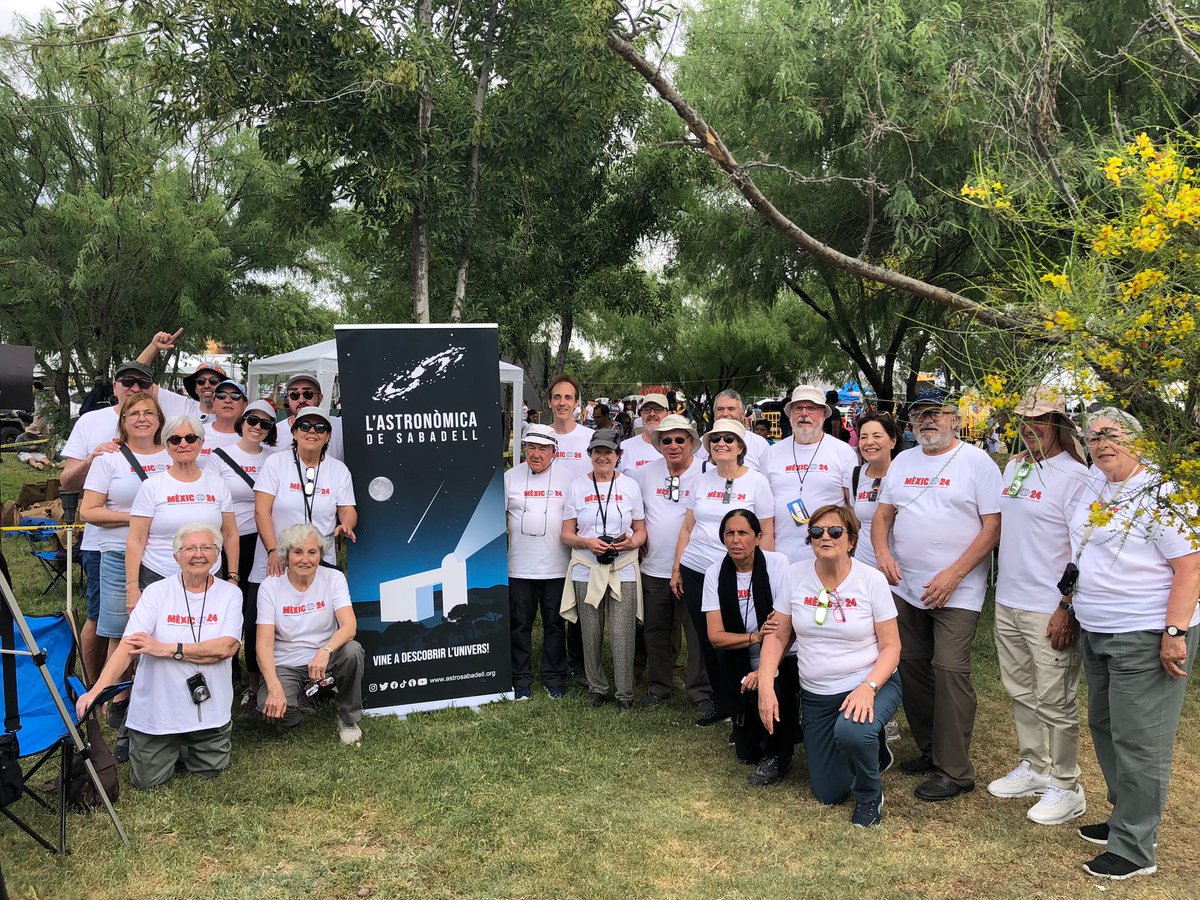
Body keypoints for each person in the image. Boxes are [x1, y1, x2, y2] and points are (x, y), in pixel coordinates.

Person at [1069, 408, 1199, 880]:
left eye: (1113, 435)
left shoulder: (1164, 491)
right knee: (1104, 724)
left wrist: (1174, 633)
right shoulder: (1093, 485)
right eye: (1094, 436)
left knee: (1141, 739)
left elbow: (1191, 567)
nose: (1102, 443)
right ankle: (1126, 817)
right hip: (1098, 627)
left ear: (1138, 441)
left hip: (1145, 632)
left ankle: (1137, 848)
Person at [871, 387, 1002, 801]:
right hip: (906, 587)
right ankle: (930, 749)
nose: (928, 421)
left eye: (936, 413)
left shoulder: (977, 462)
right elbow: (882, 515)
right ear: (911, 423)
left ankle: (956, 770)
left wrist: (954, 574)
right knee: (911, 667)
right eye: (919, 415)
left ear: (953, 417)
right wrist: (882, 553)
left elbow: (992, 527)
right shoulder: (904, 462)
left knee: (949, 671)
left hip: (956, 591)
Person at [60, 341, 201, 683]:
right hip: (109, 547)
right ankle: (100, 687)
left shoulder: (172, 449)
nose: (134, 390)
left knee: (160, 621)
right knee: (104, 621)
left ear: (154, 394)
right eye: (127, 383)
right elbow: (68, 483)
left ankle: (148, 684)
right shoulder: (94, 427)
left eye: (142, 385)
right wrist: (93, 458)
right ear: (116, 388)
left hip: (162, 553)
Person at [758, 504, 902, 827]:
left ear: (850, 539)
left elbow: (892, 646)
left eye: (835, 531)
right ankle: (871, 748)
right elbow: (778, 636)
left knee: (853, 731)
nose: (825, 537)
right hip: (817, 695)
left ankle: (869, 795)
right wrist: (766, 682)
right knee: (828, 792)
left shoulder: (871, 581)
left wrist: (868, 687)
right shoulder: (795, 576)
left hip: (869, 683)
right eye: (817, 532)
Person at [988, 390, 1091, 825]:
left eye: (1040, 421)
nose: (1030, 429)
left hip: (1047, 604)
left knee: (1055, 698)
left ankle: (1067, 785)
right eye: (1023, 421)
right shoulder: (1015, 465)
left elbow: (1081, 548)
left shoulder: (1076, 476)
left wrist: (1065, 606)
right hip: (1008, 599)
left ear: (1058, 423)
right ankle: (1035, 766)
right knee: (1019, 691)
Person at [75, 524, 243, 788]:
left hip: (210, 711)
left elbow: (226, 649)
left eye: (206, 547)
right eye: (189, 548)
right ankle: (143, 737)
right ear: (176, 556)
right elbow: (129, 646)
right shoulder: (155, 592)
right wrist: (96, 690)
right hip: (158, 712)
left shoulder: (231, 594)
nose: (198, 554)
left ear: (218, 554)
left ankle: (183, 745)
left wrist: (165, 648)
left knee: (210, 773)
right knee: (147, 782)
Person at [672, 419, 775, 726]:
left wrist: (762, 571)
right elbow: (687, 527)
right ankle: (721, 702)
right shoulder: (702, 482)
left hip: (736, 571)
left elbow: (767, 532)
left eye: (728, 438)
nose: (721, 443)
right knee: (706, 639)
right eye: (715, 439)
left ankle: (744, 701)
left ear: (740, 447)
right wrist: (677, 567)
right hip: (696, 568)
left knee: (737, 636)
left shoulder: (757, 481)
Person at [703, 509, 798, 786]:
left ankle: (780, 754)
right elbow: (716, 637)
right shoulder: (714, 573)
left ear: (758, 537)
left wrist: (765, 668)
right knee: (745, 753)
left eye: (743, 533)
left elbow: (786, 628)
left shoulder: (778, 563)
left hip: (782, 656)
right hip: (740, 660)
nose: (736, 540)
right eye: (729, 534)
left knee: (773, 683)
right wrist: (754, 638)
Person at [559, 429, 646, 710]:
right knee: (591, 630)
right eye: (597, 451)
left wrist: (631, 543)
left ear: (618, 456)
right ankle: (597, 686)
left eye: (608, 452)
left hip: (622, 566)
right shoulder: (576, 487)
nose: (602, 457)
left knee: (622, 632)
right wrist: (587, 542)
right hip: (587, 565)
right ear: (590, 455)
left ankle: (624, 693)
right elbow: (566, 534)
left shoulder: (630, 486)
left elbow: (641, 530)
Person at [256, 524, 365, 744]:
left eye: (312, 552)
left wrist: (325, 651)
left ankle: (348, 719)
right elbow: (264, 645)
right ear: (286, 554)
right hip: (286, 662)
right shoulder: (270, 586)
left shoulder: (333, 578)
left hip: (325, 656)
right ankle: (297, 704)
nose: (305, 559)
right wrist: (274, 687)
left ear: (320, 555)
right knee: (270, 708)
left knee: (353, 651)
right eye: (298, 552)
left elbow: (349, 627)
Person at [632, 414, 709, 707]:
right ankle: (659, 685)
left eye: (680, 439)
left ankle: (700, 691)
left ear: (691, 442)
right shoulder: (644, 474)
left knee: (696, 629)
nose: (673, 445)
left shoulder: (706, 472)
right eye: (667, 440)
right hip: (653, 566)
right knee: (655, 629)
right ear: (659, 444)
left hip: (694, 566)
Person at [208, 398, 277, 712]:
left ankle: (255, 679)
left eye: (265, 424)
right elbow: (211, 497)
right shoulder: (220, 457)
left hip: (263, 543)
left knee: (255, 612)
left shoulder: (275, 458)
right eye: (252, 420)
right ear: (243, 421)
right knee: (225, 607)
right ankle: (226, 668)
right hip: (229, 540)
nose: (257, 427)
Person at [126, 416, 239, 602]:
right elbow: (136, 539)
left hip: (209, 575)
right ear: (166, 446)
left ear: (201, 442)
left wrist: (232, 577)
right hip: (158, 575)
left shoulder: (217, 484)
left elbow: (230, 534)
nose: (183, 444)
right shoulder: (152, 486)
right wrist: (132, 589)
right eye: (175, 439)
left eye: (190, 438)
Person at [252, 406, 356, 593]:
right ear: (294, 432)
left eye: (320, 428)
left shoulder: (339, 470)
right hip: (277, 561)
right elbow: (261, 511)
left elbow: (347, 509)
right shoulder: (276, 463)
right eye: (305, 425)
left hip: (319, 563)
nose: (312, 431)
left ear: (328, 436)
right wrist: (272, 550)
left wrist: (346, 524)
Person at [505, 424, 571, 700]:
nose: (536, 453)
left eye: (543, 448)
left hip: (556, 565)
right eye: (531, 447)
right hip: (519, 565)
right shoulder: (509, 477)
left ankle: (553, 677)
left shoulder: (569, 479)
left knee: (555, 623)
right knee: (520, 623)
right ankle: (520, 679)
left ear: (554, 452)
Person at [764, 385, 858, 564]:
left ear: (823, 414)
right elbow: (764, 510)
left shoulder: (843, 452)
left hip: (829, 557)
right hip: (781, 557)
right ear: (790, 414)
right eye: (798, 408)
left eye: (811, 408)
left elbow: (852, 508)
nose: (804, 414)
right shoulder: (771, 453)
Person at [546, 372, 593, 682]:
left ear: (577, 403)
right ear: (549, 402)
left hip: (581, 530)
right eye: (557, 397)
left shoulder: (588, 438)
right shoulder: (538, 434)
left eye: (568, 397)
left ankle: (578, 662)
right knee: (551, 600)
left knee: (579, 597)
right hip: (547, 529)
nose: (562, 403)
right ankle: (554, 660)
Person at [845, 412, 901, 571]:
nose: (869, 442)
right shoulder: (856, 475)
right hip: (863, 567)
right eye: (863, 437)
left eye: (877, 436)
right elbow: (856, 523)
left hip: (898, 571)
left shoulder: (904, 475)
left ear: (893, 441)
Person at [272, 374, 345, 462]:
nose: (301, 400)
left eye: (308, 394)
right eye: (294, 395)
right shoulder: (274, 433)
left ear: (320, 398)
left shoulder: (341, 427)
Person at [695, 390, 771, 472]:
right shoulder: (701, 443)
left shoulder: (759, 444)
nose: (725, 414)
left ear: (742, 414)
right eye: (720, 409)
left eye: (731, 409)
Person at [196, 378, 248, 468]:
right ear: (213, 402)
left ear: (245, 404)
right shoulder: (196, 432)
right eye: (221, 395)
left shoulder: (253, 438)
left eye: (235, 395)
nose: (227, 400)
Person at [618, 394, 668, 474]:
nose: (652, 414)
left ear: (668, 414)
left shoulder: (678, 448)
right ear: (641, 414)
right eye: (647, 410)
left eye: (658, 410)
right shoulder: (624, 447)